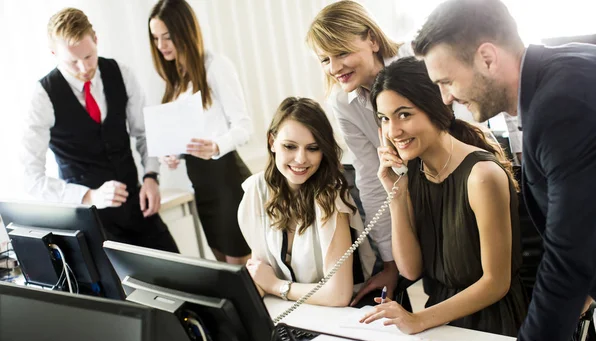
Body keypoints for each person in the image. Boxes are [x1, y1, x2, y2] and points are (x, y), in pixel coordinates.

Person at [412, 0, 596, 341]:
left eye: (446, 81)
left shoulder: (558, 106)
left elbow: (567, 255)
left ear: (486, 58)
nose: (445, 98)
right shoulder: (564, 70)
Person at [360, 57, 527, 337]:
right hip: (440, 320)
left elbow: (496, 283)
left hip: (493, 325)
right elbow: (411, 270)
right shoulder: (414, 170)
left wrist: (418, 319)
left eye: (404, 114)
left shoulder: (481, 176)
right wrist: (396, 194)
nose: (393, 131)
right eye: (385, 119)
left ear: (435, 107)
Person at [21, 8, 178, 253]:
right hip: (91, 224)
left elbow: (145, 134)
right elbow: (30, 177)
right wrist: (89, 196)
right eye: (72, 61)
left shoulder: (121, 73)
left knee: (181, 279)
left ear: (95, 39)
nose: (84, 68)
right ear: (53, 53)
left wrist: (151, 177)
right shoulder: (43, 97)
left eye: (89, 56)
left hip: (138, 209)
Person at [305, 0, 414, 306]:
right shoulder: (342, 103)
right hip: (408, 195)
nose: (334, 68)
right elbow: (369, 177)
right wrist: (390, 264)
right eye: (325, 59)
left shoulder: (417, 61)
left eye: (342, 52)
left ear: (373, 39)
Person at [237, 97, 376, 307]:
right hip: (291, 312)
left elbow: (338, 295)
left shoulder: (330, 197)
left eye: (312, 148)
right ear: (272, 142)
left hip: (337, 317)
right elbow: (260, 274)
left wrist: (276, 286)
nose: (301, 159)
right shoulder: (256, 190)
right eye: (290, 146)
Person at [148, 0, 251, 264]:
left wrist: (216, 146)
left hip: (226, 181)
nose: (161, 46)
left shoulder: (215, 65)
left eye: (167, 36)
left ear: (185, 30)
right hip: (200, 186)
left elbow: (244, 127)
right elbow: (186, 138)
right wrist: (172, 155)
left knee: (241, 273)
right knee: (224, 271)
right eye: (156, 38)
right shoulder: (176, 80)